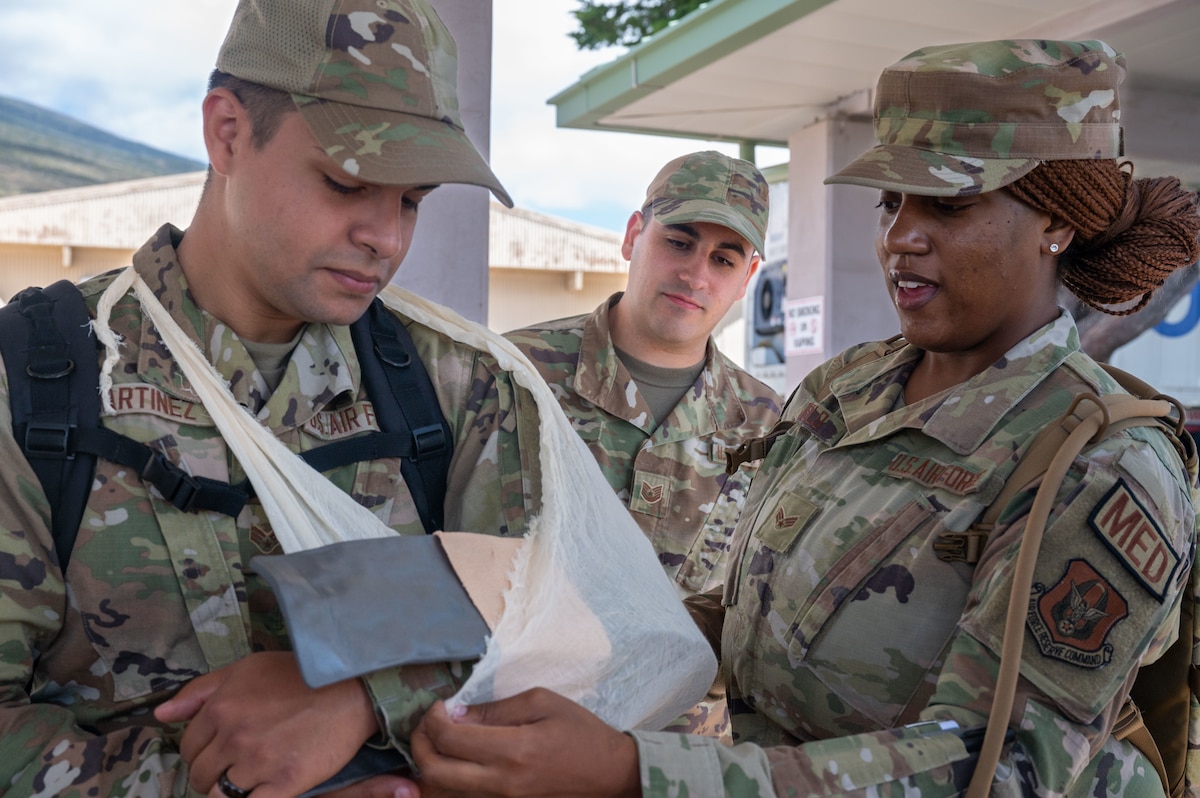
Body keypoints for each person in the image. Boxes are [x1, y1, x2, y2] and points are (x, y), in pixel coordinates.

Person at [408, 39, 1200, 797]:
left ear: (1055, 223)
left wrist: (632, 773)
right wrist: (552, 685)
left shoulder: (1101, 460)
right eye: (891, 201)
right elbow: (734, 608)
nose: (899, 237)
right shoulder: (847, 388)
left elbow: (1004, 770)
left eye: (948, 205)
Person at [0, 1, 544, 796]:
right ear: (227, 132)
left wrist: (366, 698)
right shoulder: (39, 377)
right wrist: (216, 780)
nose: (385, 237)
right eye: (348, 181)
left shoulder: (453, 389)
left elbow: (546, 627)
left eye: (412, 201)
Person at [506, 151, 782, 738]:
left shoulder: (771, 427)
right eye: (679, 243)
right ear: (634, 235)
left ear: (746, 278)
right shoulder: (509, 373)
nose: (696, 274)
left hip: (674, 758)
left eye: (724, 258)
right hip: (517, 725)